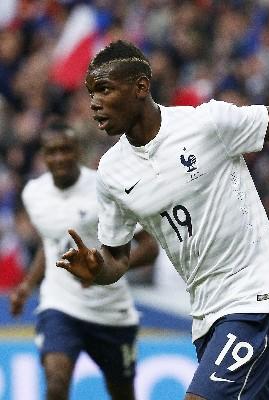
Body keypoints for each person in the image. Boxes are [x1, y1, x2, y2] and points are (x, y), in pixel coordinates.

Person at [56, 40, 269, 400]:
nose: (94, 103)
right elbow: (117, 258)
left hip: (255, 294)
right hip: (205, 313)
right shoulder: (111, 173)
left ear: (141, 87)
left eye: (105, 89)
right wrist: (97, 270)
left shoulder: (205, 123)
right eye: (91, 93)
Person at [10, 121, 159, 400]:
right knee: (56, 384)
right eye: (51, 152)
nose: (59, 157)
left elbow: (149, 248)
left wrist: (104, 271)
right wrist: (27, 285)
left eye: (66, 150)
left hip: (111, 312)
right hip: (61, 306)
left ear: (78, 151)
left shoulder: (105, 188)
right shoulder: (33, 193)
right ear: (43, 156)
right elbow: (51, 242)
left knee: (122, 394)